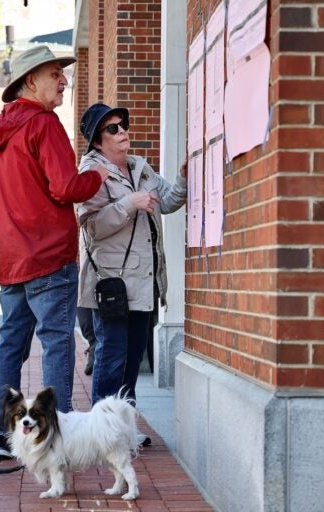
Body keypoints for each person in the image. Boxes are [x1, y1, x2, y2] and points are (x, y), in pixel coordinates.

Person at [0, 46, 109, 461]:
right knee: (57, 345)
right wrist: (96, 175)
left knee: (10, 346)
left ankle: (1, 434)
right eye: (55, 73)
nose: (64, 80)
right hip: (50, 259)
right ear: (30, 81)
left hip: (12, 265)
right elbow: (65, 187)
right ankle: (56, 438)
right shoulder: (44, 124)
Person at [76, 102, 187, 446]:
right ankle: (101, 432)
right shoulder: (91, 174)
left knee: (132, 360)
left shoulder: (140, 166)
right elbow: (91, 227)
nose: (123, 132)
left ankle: (125, 429)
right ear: (97, 141)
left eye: (123, 125)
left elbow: (168, 201)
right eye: (113, 129)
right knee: (111, 358)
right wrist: (129, 204)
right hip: (112, 284)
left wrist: (185, 175)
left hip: (145, 280)